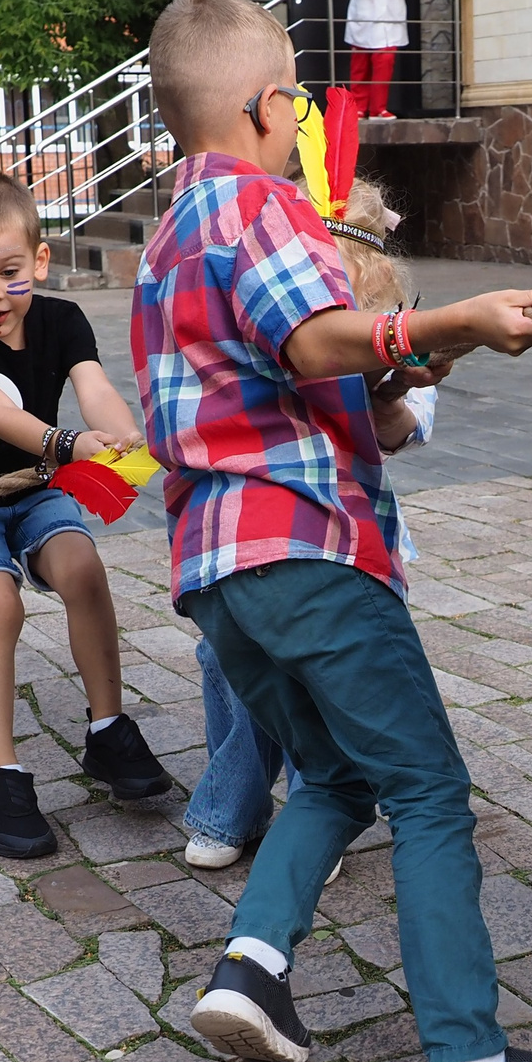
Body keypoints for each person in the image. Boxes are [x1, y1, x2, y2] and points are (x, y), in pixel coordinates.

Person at [137, 0, 532, 1062]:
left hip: (219, 574)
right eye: (296, 108)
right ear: (268, 106)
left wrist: (392, 387)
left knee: (337, 778)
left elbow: (293, 377)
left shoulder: (163, 239)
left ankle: (250, 968)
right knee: (428, 792)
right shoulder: (263, 207)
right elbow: (313, 339)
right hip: (308, 552)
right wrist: (437, 326)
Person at [0, 168, 174, 860]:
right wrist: (70, 445)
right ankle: (0, 777)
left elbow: (95, 389)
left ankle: (109, 729)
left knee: (82, 567)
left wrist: (118, 441)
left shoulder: (63, 319)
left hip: (38, 487)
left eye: (8, 270)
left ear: (40, 259)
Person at [181, 175, 440, 870]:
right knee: (230, 662)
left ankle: (313, 812)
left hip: (347, 537)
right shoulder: (259, 310)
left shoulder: (391, 332)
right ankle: (233, 807)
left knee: (322, 676)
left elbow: (400, 429)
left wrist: (384, 387)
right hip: (258, 528)